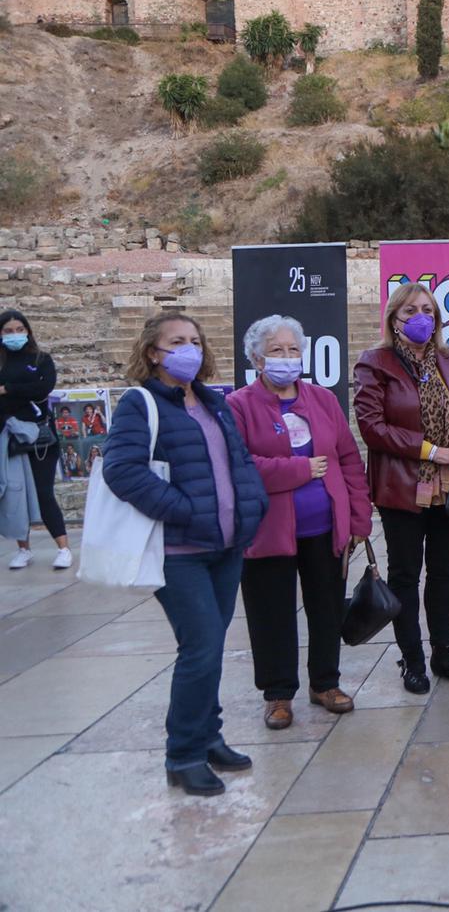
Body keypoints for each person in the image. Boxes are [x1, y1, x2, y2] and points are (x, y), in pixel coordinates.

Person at [101, 313, 267, 796]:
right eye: (177, 342)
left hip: (226, 545)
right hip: (179, 551)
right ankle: (183, 755)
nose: (189, 349)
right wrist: (184, 511)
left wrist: (250, 506)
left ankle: (208, 735)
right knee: (200, 647)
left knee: (210, 649)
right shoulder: (141, 403)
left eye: (195, 341)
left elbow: (237, 461)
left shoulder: (213, 401)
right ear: (153, 352)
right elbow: (123, 470)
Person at [228, 315, 373, 728]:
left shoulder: (323, 400)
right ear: (257, 358)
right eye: (277, 350)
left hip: (325, 528)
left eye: (293, 350)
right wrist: (298, 470)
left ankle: (325, 682)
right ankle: (277, 694)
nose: (287, 358)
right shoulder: (238, 405)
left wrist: (358, 519)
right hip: (267, 532)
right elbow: (238, 465)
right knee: (270, 612)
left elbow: (347, 458)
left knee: (327, 609)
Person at [355, 284, 449, 693]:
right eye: (411, 310)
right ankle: (412, 659)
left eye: (428, 310)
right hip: (402, 487)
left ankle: (443, 654)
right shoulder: (375, 363)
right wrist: (433, 451)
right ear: (394, 317)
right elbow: (372, 427)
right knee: (405, 575)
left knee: (445, 572)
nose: (421, 317)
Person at [0, 310, 71, 570]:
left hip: (41, 437)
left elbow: (44, 388)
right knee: (15, 493)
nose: (14, 334)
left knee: (43, 492)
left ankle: (63, 548)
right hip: (8, 436)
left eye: (19, 329)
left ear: (27, 330)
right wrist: (23, 391)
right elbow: (33, 389)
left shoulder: (40, 359)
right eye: (8, 331)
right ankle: (23, 549)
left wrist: (7, 389)